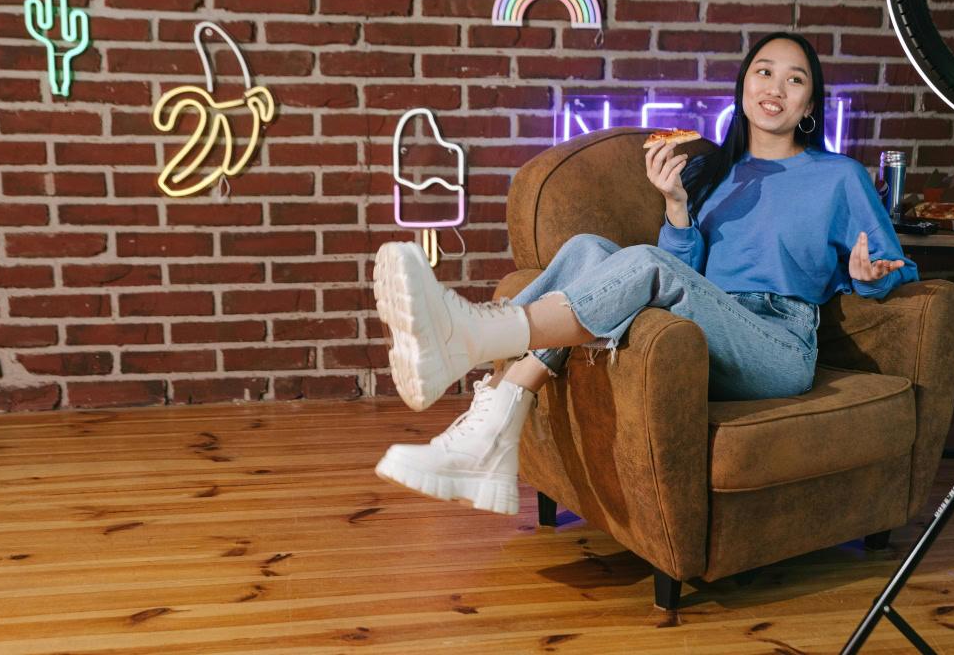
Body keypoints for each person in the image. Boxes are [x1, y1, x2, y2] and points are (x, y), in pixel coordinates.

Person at [372, 32, 918, 515]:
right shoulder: (714, 174)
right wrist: (678, 207)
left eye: (794, 79)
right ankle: (493, 425)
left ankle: (473, 341)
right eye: (764, 72)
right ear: (744, 87)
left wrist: (867, 275)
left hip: (778, 346)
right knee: (587, 248)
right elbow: (682, 275)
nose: (776, 86)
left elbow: (899, 268)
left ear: (809, 105)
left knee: (641, 262)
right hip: (706, 333)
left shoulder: (839, 176)